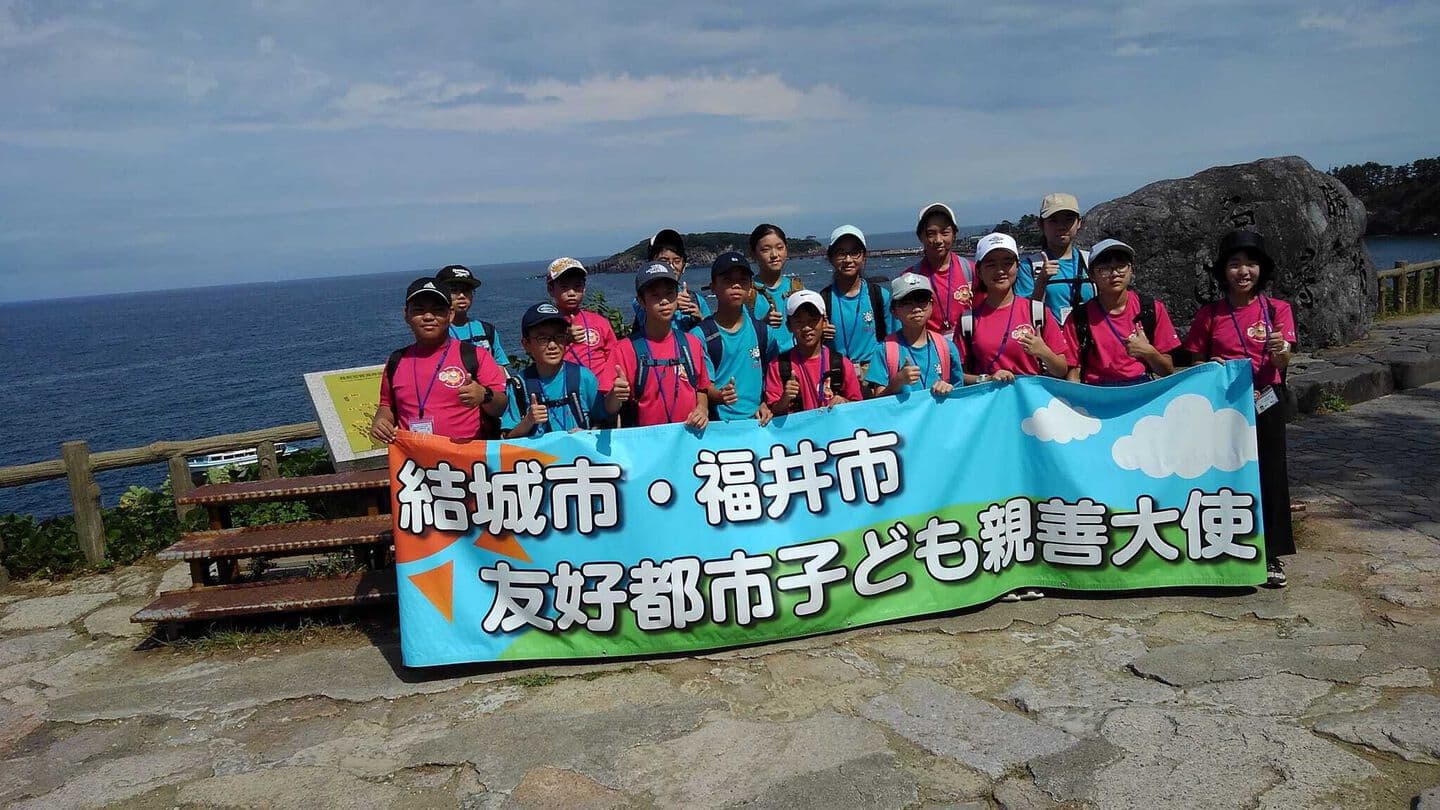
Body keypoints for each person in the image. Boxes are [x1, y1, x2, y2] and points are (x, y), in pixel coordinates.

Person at [1180, 230, 1297, 587]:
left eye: (1250, 264)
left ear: (1261, 269)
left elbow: (1285, 359)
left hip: (1266, 402)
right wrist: (1209, 366)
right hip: (1224, 408)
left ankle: (1272, 553)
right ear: (1223, 271)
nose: (1243, 271)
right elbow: (1193, 365)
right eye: (1234, 264)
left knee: (1270, 476)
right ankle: (1221, 547)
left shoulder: (1277, 310)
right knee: (1222, 475)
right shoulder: (1210, 314)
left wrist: (1280, 351)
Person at [370, 277, 510, 444]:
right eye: (419, 310)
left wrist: (484, 395)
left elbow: (501, 407)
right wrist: (381, 421)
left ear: (450, 315)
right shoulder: (396, 361)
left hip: (467, 457)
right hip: (415, 457)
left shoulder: (476, 355)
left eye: (437, 310)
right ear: (406, 315)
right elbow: (386, 405)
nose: (428, 316)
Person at [956, 233, 1074, 384]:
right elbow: (958, 375)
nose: (1000, 270)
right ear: (979, 271)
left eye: (1007, 263)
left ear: (1017, 267)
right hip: (990, 398)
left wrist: (1044, 352)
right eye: (991, 264)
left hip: (1031, 398)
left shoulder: (1037, 312)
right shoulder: (968, 321)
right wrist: (987, 379)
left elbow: (1061, 370)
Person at [1062, 239, 1180, 385]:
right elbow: (1073, 371)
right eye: (1105, 268)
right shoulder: (1078, 318)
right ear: (1091, 275)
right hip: (1097, 390)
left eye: (1121, 266)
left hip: (1140, 387)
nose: (1115, 273)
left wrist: (1149, 352)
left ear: (1131, 270)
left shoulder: (1151, 309)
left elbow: (1167, 370)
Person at [500, 303, 626, 439]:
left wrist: (615, 395)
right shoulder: (519, 386)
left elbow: (605, 418)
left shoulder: (583, 377)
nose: (552, 345)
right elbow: (507, 438)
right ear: (526, 344)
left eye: (559, 336)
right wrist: (528, 421)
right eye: (543, 339)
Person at [612, 261, 711, 429]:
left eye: (669, 293)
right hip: (644, 439)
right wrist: (616, 395)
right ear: (641, 301)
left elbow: (701, 388)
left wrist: (702, 408)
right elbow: (610, 407)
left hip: (687, 436)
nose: (664, 301)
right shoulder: (624, 349)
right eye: (655, 295)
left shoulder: (692, 343)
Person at [692, 251, 783, 424]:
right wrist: (719, 396)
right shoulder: (700, 336)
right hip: (719, 426)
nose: (736, 285)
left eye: (742, 280)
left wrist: (766, 402)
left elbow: (772, 374)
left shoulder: (764, 332)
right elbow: (702, 385)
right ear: (713, 287)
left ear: (750, 288)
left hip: (758, 423)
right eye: (727, 280)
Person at [765, 290, 864, 415]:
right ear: (789, 326)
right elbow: (772, 412)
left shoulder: (842, 364)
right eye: (799, 322)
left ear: (824, 322)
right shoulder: (777, 366)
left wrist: (844, 402)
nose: (807, 328)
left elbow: (859, 409)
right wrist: (785, 399)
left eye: (813, 320)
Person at [819, 225, 897, 384]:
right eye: (841, 253)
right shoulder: (822, 300)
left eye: (855, 252)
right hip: (837, 375)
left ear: (864, 256)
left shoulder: (879, 296)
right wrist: (820, 335)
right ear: (831, 258)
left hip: (875, 374)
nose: (848, 260)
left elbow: (894, 340)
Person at [866, 274, 965, 398]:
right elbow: (879, 400)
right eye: (907, 302)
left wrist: (948, 388)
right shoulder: (884, 350)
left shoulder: (946, 348)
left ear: (932, 305)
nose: (916, 308)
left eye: (922, 300)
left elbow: (959, 394)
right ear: (894, 311)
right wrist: (897, 382)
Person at [1016, 194, 1095, 326]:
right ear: (1041, 224)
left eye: (1068, 220)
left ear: (1079, 222)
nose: (1061, 227)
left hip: (1089, 335)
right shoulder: (1029, 267)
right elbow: (1023, 313)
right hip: (1049, 337)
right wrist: (1041, 281)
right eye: (1053, 221)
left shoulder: (1091, 261)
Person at [545, 257, 617, 390]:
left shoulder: (599, 322)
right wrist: (565, 339)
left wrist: (608, 388)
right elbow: (541, 358)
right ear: (551, 289)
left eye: (577, 286)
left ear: (584, 289)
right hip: (565, 393)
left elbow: (613, 357)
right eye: (564, 287)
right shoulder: (545, 324)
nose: (571, 293)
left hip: (601, 392)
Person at [905, 202, 976, 334]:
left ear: (954, 234)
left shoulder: (971, 270)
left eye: (945, 232)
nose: (938, 240)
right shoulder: (910, 278)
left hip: (967, 344)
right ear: (920, 236)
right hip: (930, 345)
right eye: (931, 233)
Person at [630, 228, 711, 332]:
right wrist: (672, 304)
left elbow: (712, 335)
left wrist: (700, 320)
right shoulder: (642, 299)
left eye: (677, 261)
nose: (671, 267)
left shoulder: (696, 301)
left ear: (683, 265)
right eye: (664, 261)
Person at [436, 264, 511, 367]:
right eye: (453, 290)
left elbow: (499, 366)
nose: (461, 296)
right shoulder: (436, 332)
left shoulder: (486, 330)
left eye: (466, 290)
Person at [746, 223, 805, 352]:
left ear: (786, 249)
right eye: (765, 250)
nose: (774, 254)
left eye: (779, 248)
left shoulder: (797, 288)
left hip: (796, 361)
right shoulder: (747, 292)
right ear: (753, 254)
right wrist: (763, 323)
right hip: (764, 362)